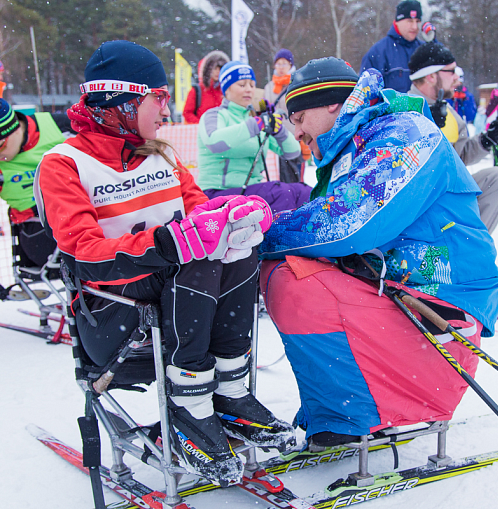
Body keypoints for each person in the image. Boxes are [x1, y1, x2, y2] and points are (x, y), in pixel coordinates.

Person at [35, 40, 295, 486]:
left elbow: (200, 214)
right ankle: (188, 407)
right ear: (123, 100)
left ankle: (229, 393)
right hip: (114, 315)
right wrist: (168, 244)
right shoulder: (63, 164)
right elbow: (84, 253)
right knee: (194, 256)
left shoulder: (162, 153)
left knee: (234, 245)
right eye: (158, 98)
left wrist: (236, 218)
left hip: (176, 304)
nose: (166, 110)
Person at [257, 57, 498, 448]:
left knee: (294, 280)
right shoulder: (352, 149)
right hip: (400, 294)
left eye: (299, 115)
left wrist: (264, 233)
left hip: (442, 314)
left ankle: (356, 411)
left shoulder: (403, 133)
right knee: (288, 272)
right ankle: (341, 410)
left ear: (330, 104)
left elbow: (348, 223)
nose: (297, 130)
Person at [408, 42, 498, 234]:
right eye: (451, 71)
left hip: (451, 192)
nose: (457, 78)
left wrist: (488, 139)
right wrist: (425, 124)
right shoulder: (401, 107)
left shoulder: (450, 112)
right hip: (419, 203)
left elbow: (461, 155)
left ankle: (472, 249)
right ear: (431, 76)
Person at [197, 60, 311, 213]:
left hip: (251, 190)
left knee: (304, 192)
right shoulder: (214, 115)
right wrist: (255, 124)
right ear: (227, 89)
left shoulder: (256, 120)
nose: (249, 90)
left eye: (251, 85)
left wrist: (278, 131)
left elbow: (292, 152)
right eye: (242, 85)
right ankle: (280, 235)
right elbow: (214, 142)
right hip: (217, 192)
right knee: (282, 193)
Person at [0, 98, 74, 267]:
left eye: (1, 146)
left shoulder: (60, 126)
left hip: (86, 213)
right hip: (40, 235)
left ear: (15, 128)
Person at [360, 0, 424, 93]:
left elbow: (444, 75)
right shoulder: (378, 52)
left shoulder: (424, 50)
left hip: (423, 107)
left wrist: (433, 40)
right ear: (397, 21)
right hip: (391, 108)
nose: (414, 26)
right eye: (409, 21)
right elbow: (365, 94)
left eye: (417, 21)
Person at [264, 49, 307, 183]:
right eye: (278, 64)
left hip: (294, 135)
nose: (281, 67)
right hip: (276, 139)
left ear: (291, 65)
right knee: (279, 176)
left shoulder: (297, 84)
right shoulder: (269, 87)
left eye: (284, 64)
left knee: (295, 175)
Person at [182, 50, 229, 124]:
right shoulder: (197, 90)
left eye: (220, 69)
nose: (217, 72)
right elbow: (187, 113)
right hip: (201, 132)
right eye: (215, 69)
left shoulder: (228, 91)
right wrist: (201, 125)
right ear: (208, 70)